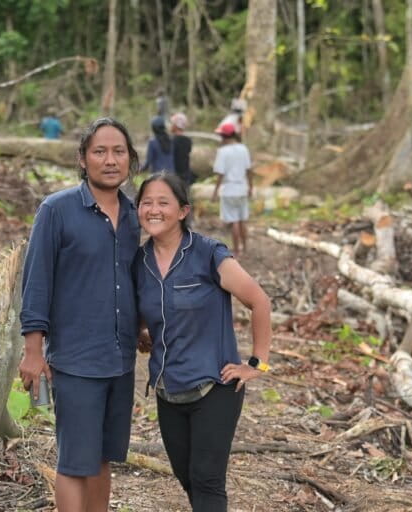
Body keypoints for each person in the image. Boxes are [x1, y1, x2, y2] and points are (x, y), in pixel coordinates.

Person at [19, 117, 141, 512]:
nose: (110, 160)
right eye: (100, 151)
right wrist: (33, 351)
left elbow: (134, 279)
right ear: (82, 159)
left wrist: (142, 327)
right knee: (74, 462)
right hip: (76, 359)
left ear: (130, 159)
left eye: (118, 151)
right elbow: (36, 281)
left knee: (103, 457)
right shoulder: (57, 210)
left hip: (120, 359)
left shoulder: (135, 216)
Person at [133, 172, 272, 511]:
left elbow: (259, 301)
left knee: (207, 479)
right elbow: (145, 311)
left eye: (163, 202)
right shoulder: (139, 261)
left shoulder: (209, 254)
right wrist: (142, 333)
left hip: (215, 386)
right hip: (168, 389)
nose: (154, 210)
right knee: (188, 478)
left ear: (183, 211)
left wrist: (257, 364)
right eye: (146, 203)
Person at [211, 122, 252, 258]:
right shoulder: (243, 149)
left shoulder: (223, 152)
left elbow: (220, 174)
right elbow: (249, 170)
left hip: (229, 190)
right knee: (242, 220)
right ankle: (245, 247)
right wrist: (251, 187)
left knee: (234, 221)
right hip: (242, 188)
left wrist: (215, 192)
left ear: (224, 136)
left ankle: (236, 250)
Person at [170, 112, 193, 188]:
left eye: (172, 123)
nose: (170, 126)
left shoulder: (172, 141)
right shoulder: (188, 141)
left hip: (174, 176)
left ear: (176, 126)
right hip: (186, 176)